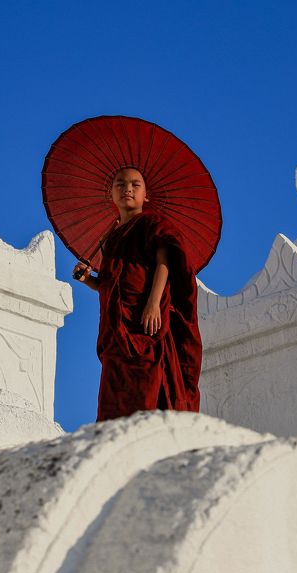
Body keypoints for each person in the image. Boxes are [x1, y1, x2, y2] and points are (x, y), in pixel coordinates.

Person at [73, 166, 202, 421]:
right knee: (114, 399)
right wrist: (89, 280)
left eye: (135, 185)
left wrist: (154, 303)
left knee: (147, 393)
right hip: (115, 332)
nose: (127, 189)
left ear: (146, 196)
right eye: (120, 184)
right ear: (111, 194)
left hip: (144, 326)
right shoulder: (111, 237)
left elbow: (164, 261)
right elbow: (111, 287)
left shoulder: (152, 224)